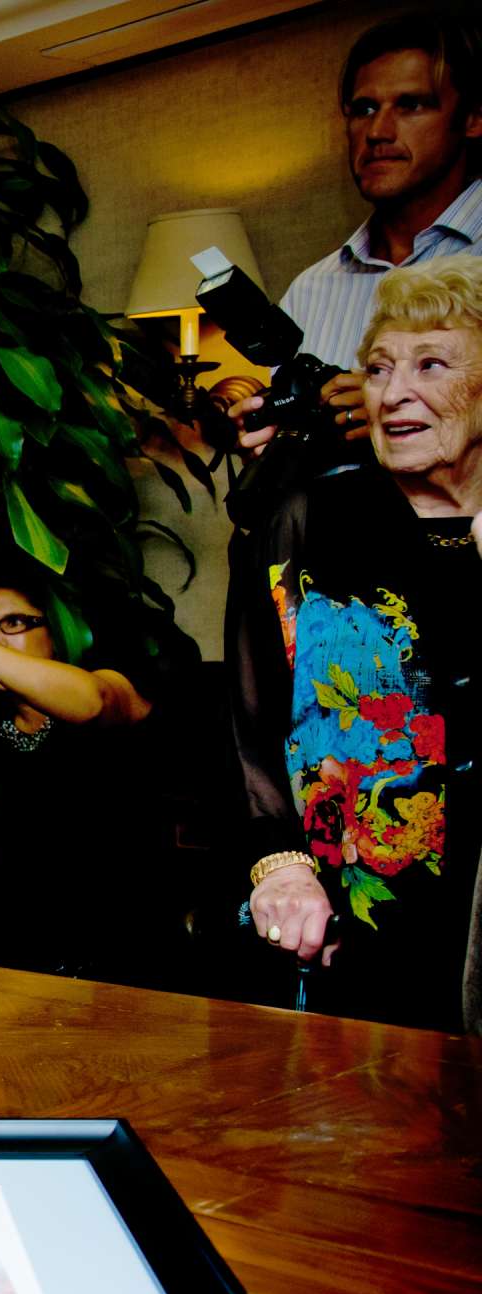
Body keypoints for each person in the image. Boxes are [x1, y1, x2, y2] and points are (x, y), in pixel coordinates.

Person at [229, 255, 482, 1032]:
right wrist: (279, 864)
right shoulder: (307, 519)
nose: (394, 391)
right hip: (343, 928)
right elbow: (249, 719)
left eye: (430, 363)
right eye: (377, 368)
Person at [0, 576, 178, 986]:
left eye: (14, 624)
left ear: (56, 631)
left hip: (115, 924)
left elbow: (94, 701)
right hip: (21, 926)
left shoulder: (113, 684)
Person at [235, 10, 482, 454]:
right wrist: (269, 426)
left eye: (411, 105)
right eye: (363, 109)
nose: (378, 131)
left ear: (473, 119)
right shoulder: (312, 290)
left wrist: (398, 415)